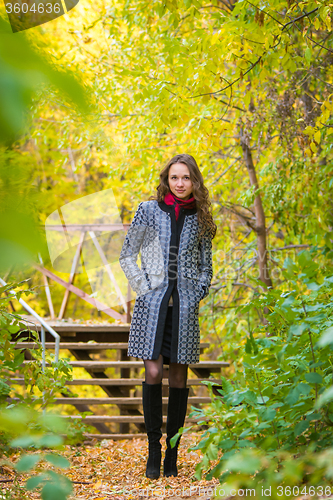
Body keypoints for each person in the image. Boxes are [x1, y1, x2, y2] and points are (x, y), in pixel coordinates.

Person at [119, 153, 216, 479]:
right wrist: (144, 287)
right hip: (151, 305)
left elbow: (207, 266)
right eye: (175, 177)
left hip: (184, 309)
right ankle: (153, 449)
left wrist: (196, 292)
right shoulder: (148, 210)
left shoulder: (202, 217)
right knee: (154, 371)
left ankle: (172, 453)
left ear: (194, 182)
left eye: (186, 178)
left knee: (178, 378)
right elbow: (127, 255)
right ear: (167, 179)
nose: (180, 183)